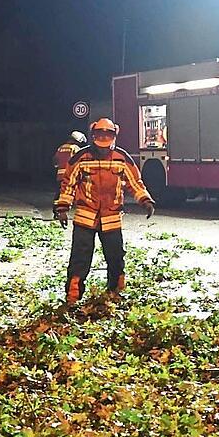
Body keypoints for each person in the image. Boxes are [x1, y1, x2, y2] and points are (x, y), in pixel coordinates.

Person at [54, 118, 155, 305]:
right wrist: (62, 208)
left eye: (107, 142)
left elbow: (135, 183)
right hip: (85, 217)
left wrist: (145, 200)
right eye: (100, 142)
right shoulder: (81, 158)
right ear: (93, 137)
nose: (103, 147)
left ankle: (115, 293)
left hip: (111, 217)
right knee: (80, 258)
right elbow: (68, 184)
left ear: (114, 137)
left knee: (116, 257)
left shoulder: (121, 158)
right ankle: (73, 297)